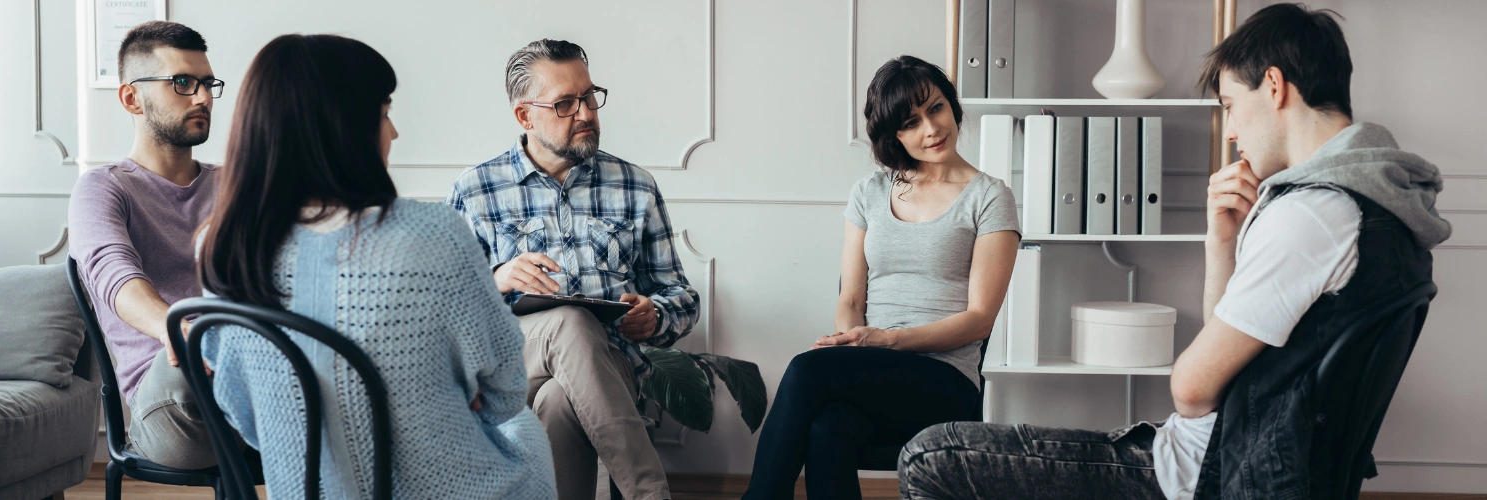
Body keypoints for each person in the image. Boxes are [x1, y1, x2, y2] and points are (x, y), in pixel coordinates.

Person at [897, 4, 1451, 499]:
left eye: (1231, 105)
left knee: (928, 457)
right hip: (1235, 461)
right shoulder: (1381, 203)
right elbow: (1230, 345)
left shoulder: (1310, 215)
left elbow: (1190, 387)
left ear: (1275, 87)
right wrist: (1223, 241)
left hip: (1196, 473)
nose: (1231, 131)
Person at [196, 34, 556, 499]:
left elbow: (243, 411)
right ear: (342, 128)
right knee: (526, 428)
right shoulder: (433, 235)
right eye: (384, 113)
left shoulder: (221, 245)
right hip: (448, 490)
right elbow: (505, 391)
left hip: (305, 490)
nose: (394, 132)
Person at [741, 55, 1020, 500]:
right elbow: (850, 299)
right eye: (911, 122)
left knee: (806, 370)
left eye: (936, 108)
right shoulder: (869, 192)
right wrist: (856, 346)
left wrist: (883, 341)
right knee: (826, 427)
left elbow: (980, 319)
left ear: (952, 105)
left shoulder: (990, 197)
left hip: (944, 379)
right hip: (873, 370)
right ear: (893, 135)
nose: (931, 129)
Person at [445, 38, 698, 500]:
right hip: (505, 369)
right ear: (525, 116)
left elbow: (680, 295)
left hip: (610, 366)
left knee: (560, 400)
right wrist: (496, 278)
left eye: (589, 96)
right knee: (567, 320)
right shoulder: (475, 190)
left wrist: (655, 314)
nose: (585, 112)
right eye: (565, 103)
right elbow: (441, 314)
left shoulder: (635, 186)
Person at [66, 20, 224, 470]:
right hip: (169, 404)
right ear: (132, 97)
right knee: (200, 359)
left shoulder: (236, 184)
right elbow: (115, 278)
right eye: (182, 83)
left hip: (244, 368)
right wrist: (175, 328)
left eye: (208, 84)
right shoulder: (102, 188)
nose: (203, 98)